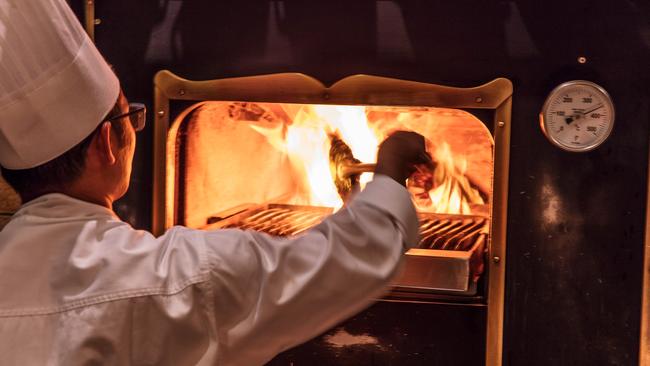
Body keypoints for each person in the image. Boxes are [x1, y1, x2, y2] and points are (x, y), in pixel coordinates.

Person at [0, 1, 429, 365]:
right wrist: (390, 174)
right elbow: (335, 263)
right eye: (130, 115)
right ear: (107, 144)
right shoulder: (166, 281)